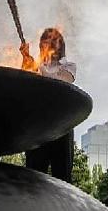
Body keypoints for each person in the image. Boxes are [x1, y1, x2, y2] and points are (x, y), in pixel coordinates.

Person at [20, 27, 76, 182]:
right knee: (33, 176)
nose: (49, 44)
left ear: (61, 45)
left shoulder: (69, 66)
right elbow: (25, 81)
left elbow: (61, 81)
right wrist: (26, 59)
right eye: (45, 41)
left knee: (63, 176)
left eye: (53, 41)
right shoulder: (37, 65)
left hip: (62, 126)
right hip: (38, 127)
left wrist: (37, 67)